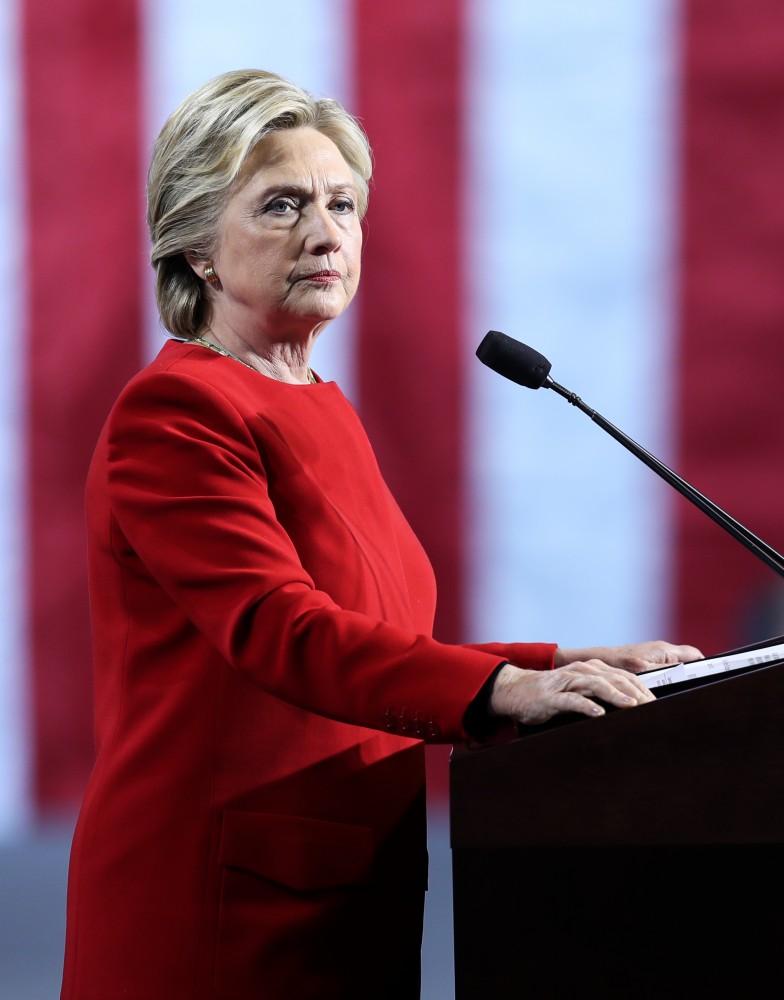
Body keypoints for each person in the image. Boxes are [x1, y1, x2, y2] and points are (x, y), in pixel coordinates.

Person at [60, 69, 701, 1000]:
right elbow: (284, 631)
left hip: (342, 896)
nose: (326, 233)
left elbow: (373, 637)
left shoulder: (314, 403)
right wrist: (502, 688)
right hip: (220, 915)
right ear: (199, 247)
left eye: (342, 203)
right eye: (282, 205)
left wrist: (556, 660)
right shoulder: (179, 410)